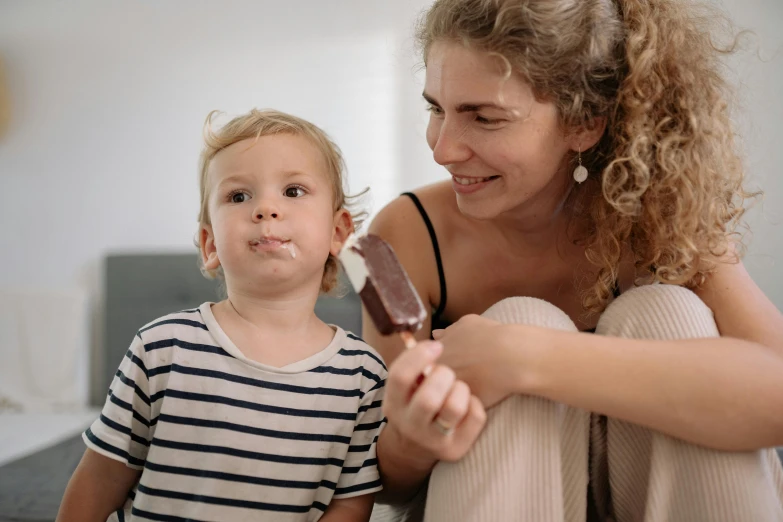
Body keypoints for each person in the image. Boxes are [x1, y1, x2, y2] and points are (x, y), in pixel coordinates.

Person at [366, 0, 783, 521]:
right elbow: (386, 483)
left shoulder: (664, 218)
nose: (442, 149)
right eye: (436, 109)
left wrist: (522, 356)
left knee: (662, 311)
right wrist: (411, 436)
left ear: (583, 124)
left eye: (485, 117)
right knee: (521, 314)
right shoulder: (403, 236)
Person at [57, 109, 386, 522]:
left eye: (294, 191)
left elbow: (350, 505)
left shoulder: (363, 376)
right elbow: (99, 479)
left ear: (338, 232)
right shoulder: (162, 348)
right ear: (209, 243)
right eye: (239, 196)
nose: (266, 208)